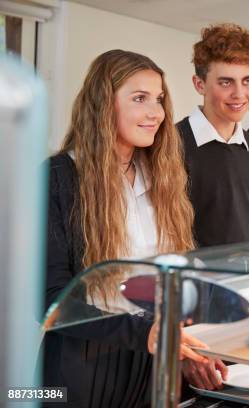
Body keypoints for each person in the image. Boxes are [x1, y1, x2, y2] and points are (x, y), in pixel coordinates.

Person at [43, 50, 225, 407]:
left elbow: (179, 276)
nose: (156, 113)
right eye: (139, 99)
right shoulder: (58, 178)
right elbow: (49, 299)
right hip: (80, 369)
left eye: (158, 100)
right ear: (101, 104)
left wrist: (188, 344)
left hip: (149, 364)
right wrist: (146, 334)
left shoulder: (163, 177)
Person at [176, 23, 249, 247]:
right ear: (199, 84)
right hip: (190, 280)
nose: (240, 94)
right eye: (226, 82)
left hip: (247, 281)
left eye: (247, 81)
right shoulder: (170, 145)